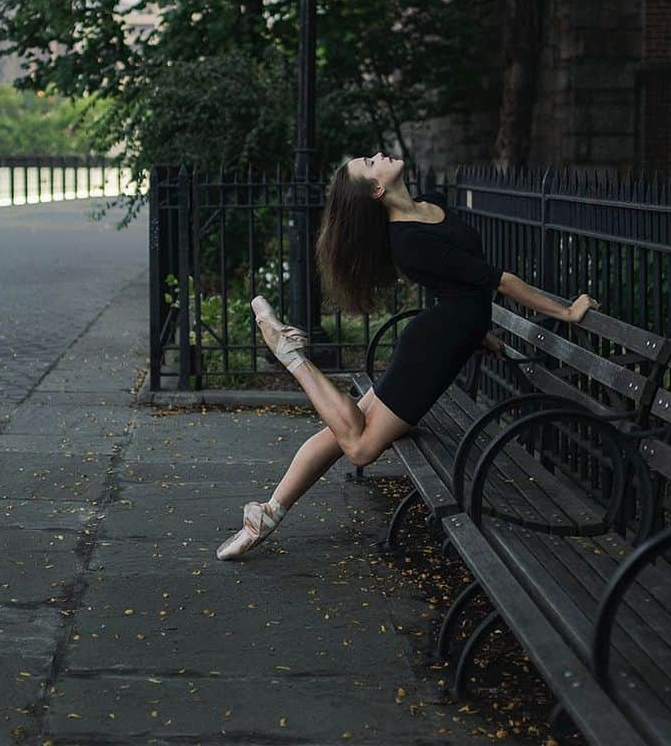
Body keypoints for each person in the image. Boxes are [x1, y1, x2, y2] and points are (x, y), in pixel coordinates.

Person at [216, 151, 599, 561]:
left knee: (347, 430)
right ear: (378, 189)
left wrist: (475, 331)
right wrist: (567, 311)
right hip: (434, 348)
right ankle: (292, 357)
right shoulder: (407, 241)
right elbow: (499, 281)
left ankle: (270, 513)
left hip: (443, 336)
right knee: (360, 446)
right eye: (369, 162)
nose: (379, 155)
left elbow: (455, 283)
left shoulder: (431, 205)